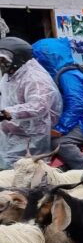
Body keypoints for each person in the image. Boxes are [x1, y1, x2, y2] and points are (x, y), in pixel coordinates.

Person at [32, 38, 83, 171]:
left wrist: (61, 128)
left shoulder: (68, 75)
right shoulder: (57, 74)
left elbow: (76, 103)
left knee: (60, 142)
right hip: (80, 119)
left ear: (48, 57)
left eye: (37, 58)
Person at [0, 36, 62, 168]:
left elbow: (39, 106)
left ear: (18, 58)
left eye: (3, 59)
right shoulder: (11, 75)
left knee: (24, 172)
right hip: (13, 130)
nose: (1, 63)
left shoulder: (34, 77)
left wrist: (7, 113)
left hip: (31, 135)